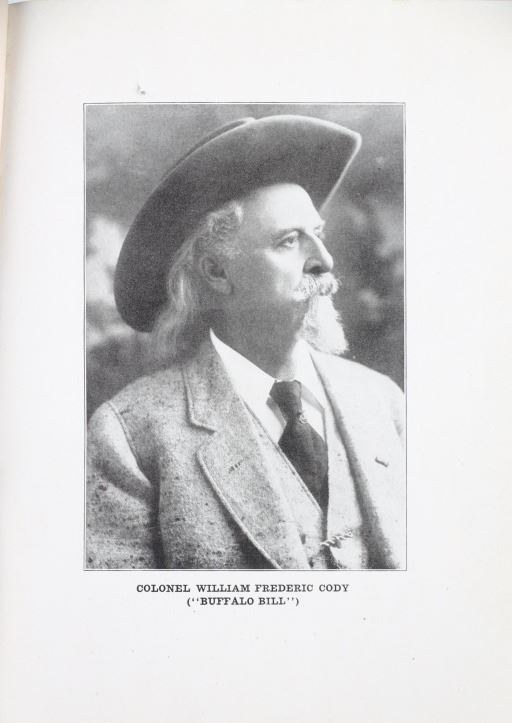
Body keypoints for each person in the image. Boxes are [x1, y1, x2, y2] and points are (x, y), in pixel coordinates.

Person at [86, 114, 405, 570]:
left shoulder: (384, 402)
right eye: (288, 241)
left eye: (318, 235)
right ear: (216, 272)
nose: (324, 260)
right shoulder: (130, 436)